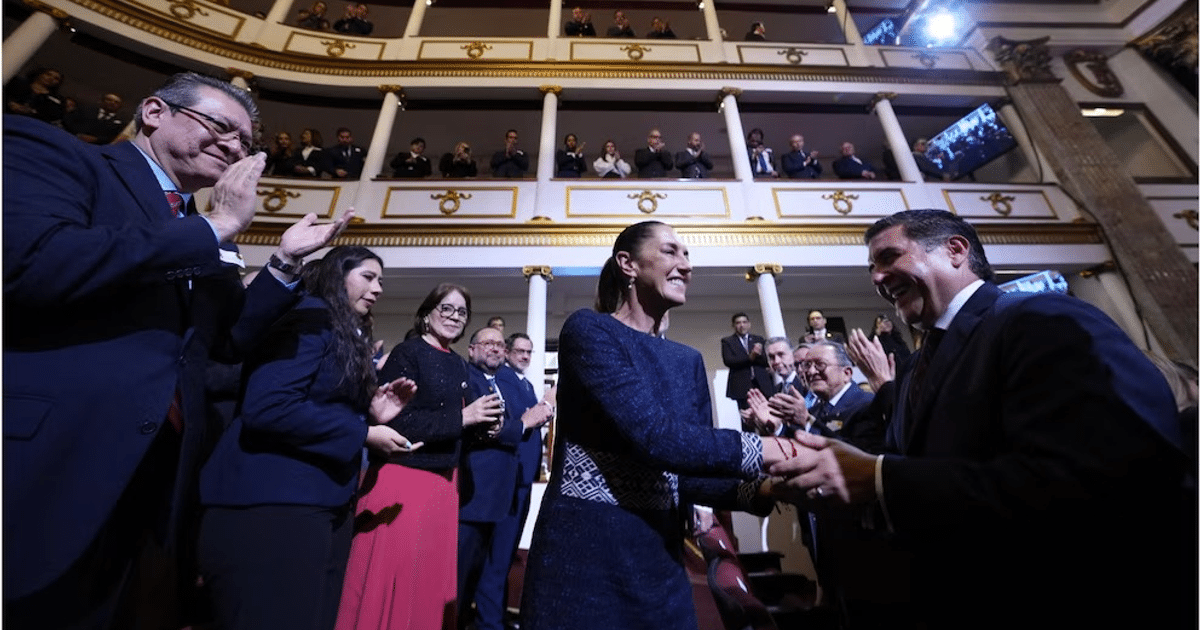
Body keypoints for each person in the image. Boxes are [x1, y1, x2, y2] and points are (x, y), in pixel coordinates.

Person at [3, 71, 352, 628]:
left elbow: (226, 339)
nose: (235, 147)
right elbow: (32, 263)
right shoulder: (57, 154)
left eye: (246, 142)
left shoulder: (197, 227)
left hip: (155, 482)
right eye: (221, 126)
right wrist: (217, 224)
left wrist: (285, 262)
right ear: (154, 113)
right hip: (47, 458)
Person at [771, 209, 1193, 629]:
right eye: (872, 269)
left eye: (889, 257)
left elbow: (1105, 478)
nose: (877, 278)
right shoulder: (916, 366)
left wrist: (881, 479)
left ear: (956, 250)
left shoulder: (1042, 318)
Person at [520, 220, 799, 630]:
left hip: (659, 563)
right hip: (585, 553)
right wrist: (771, 450)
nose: (686, 265)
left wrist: (767, 488)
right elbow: (657, 437)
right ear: (627, 264)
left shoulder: (687, 361)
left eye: (687, 255)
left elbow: (689, 476)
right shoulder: (589, 330)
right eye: (670, 251)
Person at [198, 246, 421, 630]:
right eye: (368, 277)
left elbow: (317, 403)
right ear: (337, 275)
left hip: (318, 501)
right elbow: (268, 408)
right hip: (272, 500)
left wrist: (370, 414)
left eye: (381, 281)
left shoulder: (338, 328)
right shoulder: (309, 317)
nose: (378, 289)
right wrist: (364, 432)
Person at [336, 284, 501, 630]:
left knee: (427, 587)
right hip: (404, 481)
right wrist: (464, 417)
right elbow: (398, 422)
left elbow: (453, 426)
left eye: (462, 312)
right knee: (395, 582)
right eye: (446, 308)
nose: (454, 317)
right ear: (427, 315)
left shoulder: (458, 364)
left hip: (444, 486)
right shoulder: (407, 353)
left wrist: (482, 428)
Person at [472, 333, 553, 630]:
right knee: (497, 558)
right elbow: (514, 423)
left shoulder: (525, 384)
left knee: (505, 556)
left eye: (529, 352)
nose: (525, 356)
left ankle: (497, 616)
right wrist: (540, 410)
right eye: (519, 351)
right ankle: (489, 622)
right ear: (507, 352)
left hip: (524, 478)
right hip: (508, 478)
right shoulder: (503, 380)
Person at [457, 327, 527, 630]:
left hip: (497, 497)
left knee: (480, 576)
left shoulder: (499, 384)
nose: (496, 348)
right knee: (458, 579)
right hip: (472, 496)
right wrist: (523, 424)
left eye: (500, 345)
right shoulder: (467, 379)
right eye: (488, 343)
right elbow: (487, 428)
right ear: (471, 349)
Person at [721, 312, 771, 409]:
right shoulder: (728, 341)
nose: (742, 325)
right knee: (746, 414)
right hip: (742, 385)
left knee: (767, 412)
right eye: (738, 323)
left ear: (749, 324)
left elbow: (765, 361)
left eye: (744, 322)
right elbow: (729, 361)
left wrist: (756, 355)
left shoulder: (758, 339)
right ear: (733, 326)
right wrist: (751, 356)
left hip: (762, 383)